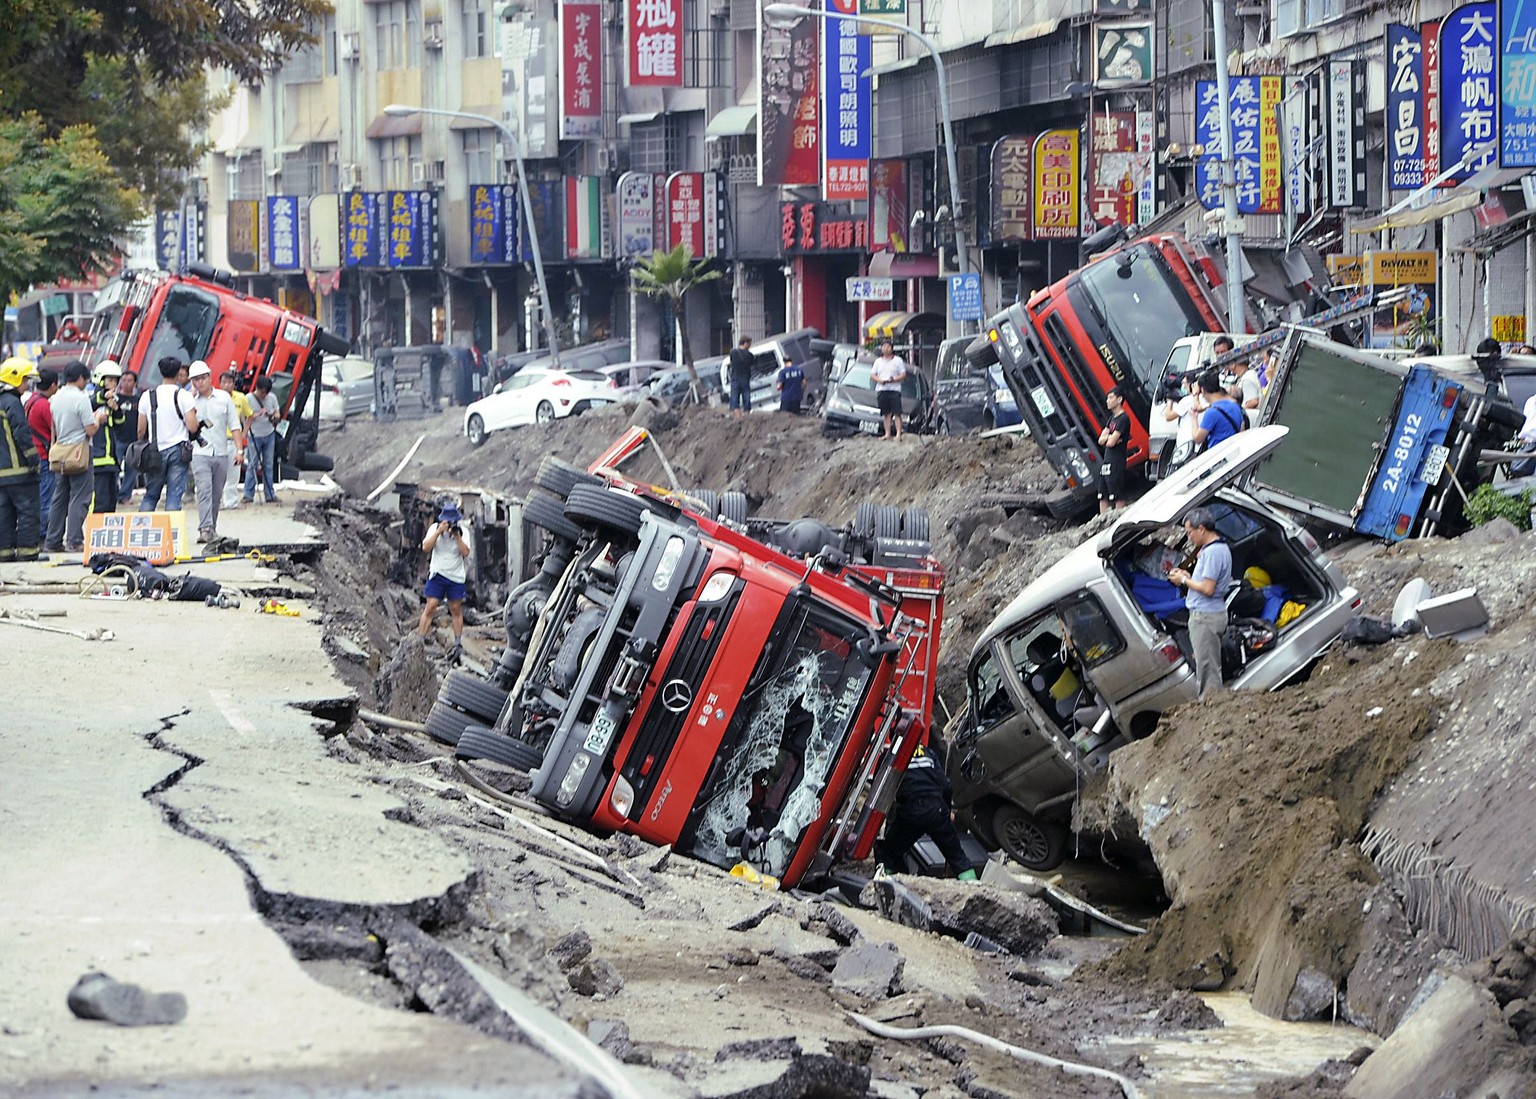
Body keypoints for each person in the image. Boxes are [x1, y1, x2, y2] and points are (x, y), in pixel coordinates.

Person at [875, 741, 977, 881]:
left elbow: (880, 790)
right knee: (957, 857)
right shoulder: (928, 753)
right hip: (937, 810)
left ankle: (888, 885)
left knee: (889, 853)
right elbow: (946, 785)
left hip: (911, 812)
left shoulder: (890, 755)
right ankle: (974, 888)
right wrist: (947, 811)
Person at [1166, 506, 1232, 701]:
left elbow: (1208, 588)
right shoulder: (1218, 548)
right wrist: (1188, 575)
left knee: (1207, 671)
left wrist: (1183, 581)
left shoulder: (1212, 552)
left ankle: (1213, 710)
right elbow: (1204, 581)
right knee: (1209, 665)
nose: (1189, 537)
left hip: (1205, 617)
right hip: (1210, 614)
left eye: (1189, 532)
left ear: (1201, 529)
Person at [44, 362, 107, 554]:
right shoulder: (81, 399)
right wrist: (98, 419)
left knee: (59, 497)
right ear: (80, 378)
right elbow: (90, 429)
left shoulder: (55, 398)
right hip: (79, 452)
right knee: (80, 497)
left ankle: (52, 540)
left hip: (61, 453)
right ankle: (74, 540)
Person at [137, 356, 199, 514]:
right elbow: (192, 427)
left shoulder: (147, 396)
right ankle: (172, 533)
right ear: (179, 373)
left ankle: (143, 530)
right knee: (174, 495)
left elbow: (140, 430)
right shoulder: (184, 396)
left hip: (155, 450)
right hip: (178, 450)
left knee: (151, 495)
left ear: (160, 372)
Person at [188, 361, 239, 544]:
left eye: (202, 378)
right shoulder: (189, 400)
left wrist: (239, 450)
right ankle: (205, 528)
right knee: (204, 490)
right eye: (196, 380)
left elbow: (234, 425)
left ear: (210, 377)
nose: (200, 383)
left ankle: (212, 527)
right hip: (199, 453)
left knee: (217, 493)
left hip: (221, 452)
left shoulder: (224, 398)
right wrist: (190, 399)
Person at [0, 357, 42, 562]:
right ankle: (28, 554)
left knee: (3, 515)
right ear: (15, 379)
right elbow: (21, 434)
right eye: (25, 380)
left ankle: (4, 555)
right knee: (27, 512)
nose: (26, 385)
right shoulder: (12, 402)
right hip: (20, 473)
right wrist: (34, 460)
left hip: (1, 476)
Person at [418, 502, 471, 659]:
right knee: (431, 606)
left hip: (455, 576)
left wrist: (457, 536)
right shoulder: (434, 528)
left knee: (455, 609)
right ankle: (419, 640)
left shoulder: (463, 531)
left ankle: (458, 643)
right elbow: (425, 547)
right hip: (438, 574)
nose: (449, 525)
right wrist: (438, 532)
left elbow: (466, 552)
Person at [24, 367, 57, 542]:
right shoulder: (44, 405)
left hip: (33, 453)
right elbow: (55, 428)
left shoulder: (30, 401)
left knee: (38, 496)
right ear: (53, 385)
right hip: (43, 455)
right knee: (46, 497)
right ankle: (43, 535)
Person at [88, 360, 125, 514]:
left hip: (111, 460)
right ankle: (95, 534)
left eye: (116, 380)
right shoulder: (92, 399)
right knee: (100, 503)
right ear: (100, 379)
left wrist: (116, 409)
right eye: (110, 379)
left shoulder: (113, 401)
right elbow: (93, 401)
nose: (114, 383)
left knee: (111, 502)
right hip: (97, 461)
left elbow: (120, 424)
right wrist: (104, 395)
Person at [243, 375, 281, 505]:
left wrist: (272, 416)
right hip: (255, 435)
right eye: (262, 392)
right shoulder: (248, 398)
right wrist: (255, 416)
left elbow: (277, 414)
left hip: (269, 433)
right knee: (252, 465)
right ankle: (248, 494)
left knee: (269, 465)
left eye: (266, 393)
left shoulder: (272, 398)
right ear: (257, 388)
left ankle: (270, 494)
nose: (263, 395)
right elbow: (245, 417)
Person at [1096, 386, 1131, 513]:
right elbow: (1101, 440)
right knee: (1102, 494)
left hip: (1117, 461)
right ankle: (1103, 521)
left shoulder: (1123, 419)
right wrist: (1111, 437)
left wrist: (1109, 438)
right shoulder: (1111, 419)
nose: (1107, 401)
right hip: (1106, 460)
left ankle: (1118, 518)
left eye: (1110, 398)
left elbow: (1110, 443)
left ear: (1119, 399)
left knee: (1117, 494)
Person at [1163, 371, 1206, 473]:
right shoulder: (1204, 399)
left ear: (1193, 385)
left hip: (1186, 446)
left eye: (1184, 384)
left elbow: (1168, 416)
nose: (1183, 387)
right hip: (1197, 446)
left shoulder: (1187, 400)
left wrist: (1170, 401)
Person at [1192, 370, 1244, 452]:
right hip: (1234, 451)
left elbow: (1198, 439)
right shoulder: (1235, 406)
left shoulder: (1212, 412)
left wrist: (1194, 418)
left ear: (1202, 390)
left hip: (1217, 455)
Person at [220, 372, 250, 509]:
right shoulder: (215, 398)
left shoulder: (240, 398)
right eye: (224, 382)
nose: (227, 385)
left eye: (230, 382)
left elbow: (249, 415)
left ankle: (231, 502)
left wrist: (244, 432)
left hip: (233, 439)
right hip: (219, 440)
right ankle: (218, 501)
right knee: (218, 473)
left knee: (234, 472)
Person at [871, 340, 908, 440]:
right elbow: (873, 375)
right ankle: (887, 434)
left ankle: (898, 434)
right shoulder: (878, 361)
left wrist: (894, 379)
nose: (886, 348)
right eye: (884, 347)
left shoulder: (898, 360)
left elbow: (903, 374)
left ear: (892, 348)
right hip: (882, 389)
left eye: (888, 347)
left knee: (897, 412)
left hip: (894, 389)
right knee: (886, 413)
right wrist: (880, 381)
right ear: (881, 348)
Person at [114, 369, 140, 505]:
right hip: (117, 438)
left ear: (135, 383)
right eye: (123, 380)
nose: (126, 383)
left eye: (129, 380)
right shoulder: (115, 399)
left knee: (132, 470)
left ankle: (125, 495)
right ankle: (113, 493)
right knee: (114, 469)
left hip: (133, 439)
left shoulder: (138, 400)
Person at [728, 336, 754, 417]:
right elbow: (751, 364)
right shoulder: (750, 355)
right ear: (745, 343)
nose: (750, 345)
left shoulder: (733, 352)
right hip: (745, 378)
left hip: (735, 378)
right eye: (749, 343)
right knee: (746, 399)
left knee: (735, 399)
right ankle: (746, 416)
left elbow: (731, 362)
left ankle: (738, 417)